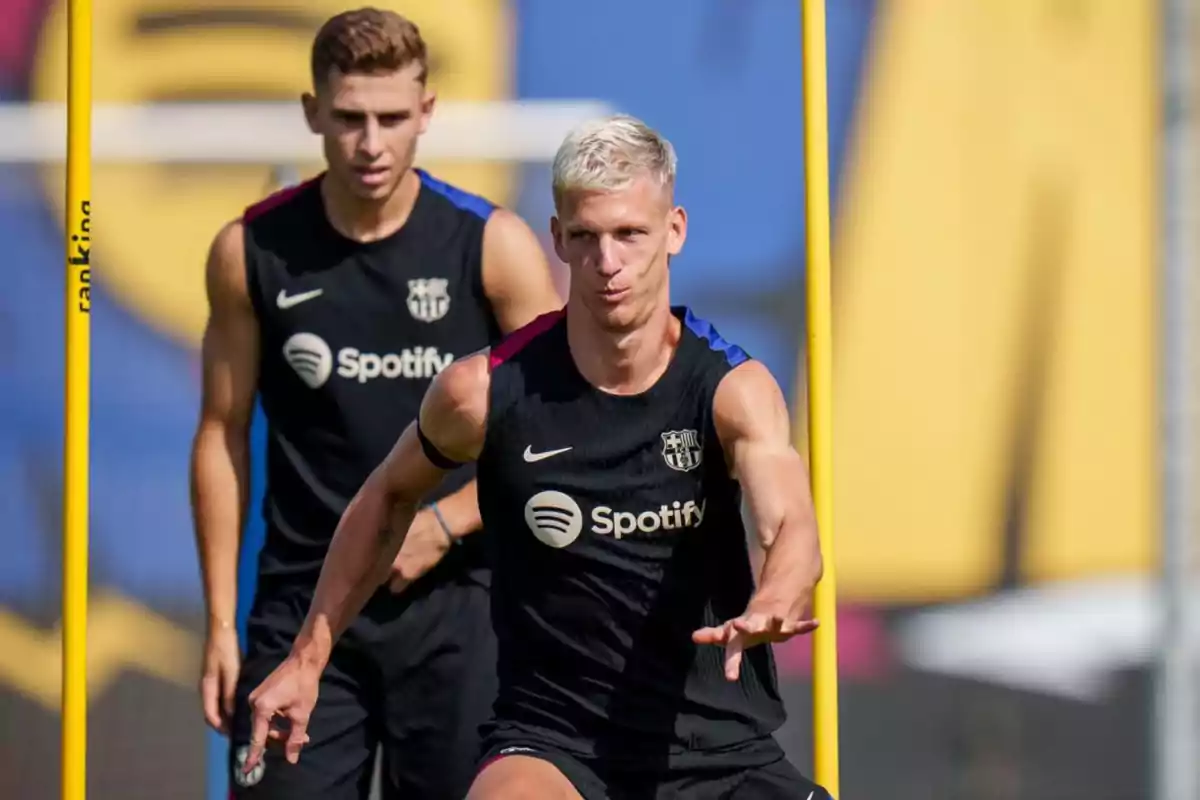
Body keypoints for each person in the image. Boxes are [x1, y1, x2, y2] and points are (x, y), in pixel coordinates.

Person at [240, 114, 832, 800]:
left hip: (720, 752)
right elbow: (387, 498)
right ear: (557, 238)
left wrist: (777, 596)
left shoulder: (733, 392)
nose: (608, 263)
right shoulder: (482, 392)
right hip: (554, 749)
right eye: (585, 237)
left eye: (630, 234)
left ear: (674, 231)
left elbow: (789, 523)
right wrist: (307, 659)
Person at [188, 8, 563, 799]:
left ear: (426, 114)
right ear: (312, 113)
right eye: (351, 117)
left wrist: (444, 524)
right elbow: (221, 435)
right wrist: (222, 623)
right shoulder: (249, 252)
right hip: (303, 611)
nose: (371, 142)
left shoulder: (491, 247)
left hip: (460, 609)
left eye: (393, 118)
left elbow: (565, 431)